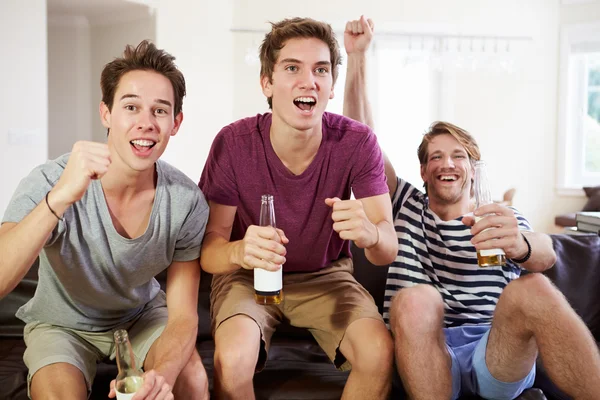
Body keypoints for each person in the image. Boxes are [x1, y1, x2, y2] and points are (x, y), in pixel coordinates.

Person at [343, 16, 600, 400]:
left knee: (534, 288)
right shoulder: (403, 204)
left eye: (458, 156)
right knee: (415, 298)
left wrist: (520, 245)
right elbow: (359, 138)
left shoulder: (497, 216)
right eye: (436, 157)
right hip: (423, 353)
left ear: (473, 168)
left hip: (493, 352)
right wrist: (358, 58)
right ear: (423, 171)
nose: (447, 163)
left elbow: (546, 254)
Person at [199, 17, 397, 400]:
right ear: (267, 83)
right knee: (233, 358)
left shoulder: (357, 142)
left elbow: (387, 246)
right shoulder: (233, 144)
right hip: (249, 276)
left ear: (331, 86)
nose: (309, 81)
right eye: (292, 68)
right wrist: (241, 250)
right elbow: (209, 250)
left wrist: (371, 234)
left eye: (320, 69)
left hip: (326, 277)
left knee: (378, 352)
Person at [0, 40, 209, 400]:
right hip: (61, 325)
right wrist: (60, 198)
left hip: (141, 318)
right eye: (131, 107)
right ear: (106, 113)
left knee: (192, 383)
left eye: (160, 111)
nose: (146, 123)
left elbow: (183, 316)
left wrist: (161, 377)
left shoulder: (187, 201)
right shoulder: (50, 181)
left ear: (175, 123)